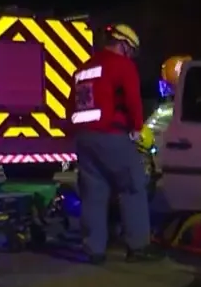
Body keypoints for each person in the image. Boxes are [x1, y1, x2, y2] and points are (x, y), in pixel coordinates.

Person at [65, 22, 163, 264]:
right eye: (131, 50)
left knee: (94, 194)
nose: (131, 56)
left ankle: (94, 250)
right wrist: (137, 128)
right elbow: (132, 100)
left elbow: (71, 106)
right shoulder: (122, 65)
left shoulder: (84, 68)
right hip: (112, 135)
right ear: (123, 44)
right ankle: (138, 247)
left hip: (85, 138)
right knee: (133, 187)